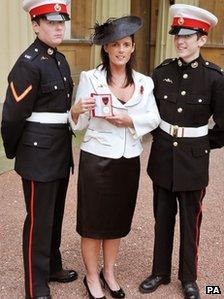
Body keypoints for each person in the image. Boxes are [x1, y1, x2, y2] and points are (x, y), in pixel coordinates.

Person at [69, 16, 161, 299]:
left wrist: (129, 119)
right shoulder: (90, 78)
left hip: (128, 160)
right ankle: (92, 277)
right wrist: (75, 111)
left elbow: (154, 118)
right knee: (93, 222)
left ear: (133, 48)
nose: (121, 50)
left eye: (126, 44)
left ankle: (109, 272)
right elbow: (79, 124)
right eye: (114, 45)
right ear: (105, 49)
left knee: (117, 222)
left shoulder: (145, 82)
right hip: (97, 160)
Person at [139, 4, 224, 299]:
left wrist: (200, 145)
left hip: (193, 161)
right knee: (162, 217)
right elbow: (149, 115)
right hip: (163, 157)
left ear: (202, 39)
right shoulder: (162, 72)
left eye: (188, 36)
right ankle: (159, 272)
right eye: (178, 35)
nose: (181, 41)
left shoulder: (215, 77)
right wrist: (161, 138)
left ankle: (189, 277)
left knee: (191, 222)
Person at [1, 1, 78, 298]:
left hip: (59, 148)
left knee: (55, 214)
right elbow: (12, 116)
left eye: (61, 22)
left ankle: (52, 267)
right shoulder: (28, 64)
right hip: (37, 153)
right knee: (38, 220)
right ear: (35, 25)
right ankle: (35, 285)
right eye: (50, 22)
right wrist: (13, 151)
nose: (59, 27)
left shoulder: (60, 60)